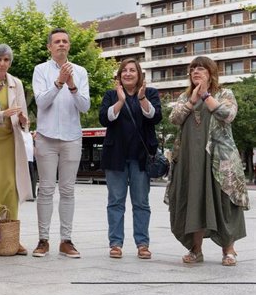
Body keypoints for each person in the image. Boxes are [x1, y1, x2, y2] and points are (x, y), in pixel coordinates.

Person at [166, 56, 249, 266]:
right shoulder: (186, 97)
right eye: (193, 68)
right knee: (193, 200)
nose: (195, 72)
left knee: (223, 203)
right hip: (190, 160)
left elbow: (228, 114)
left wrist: (205, 95)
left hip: (219, 160)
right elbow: (174, 118)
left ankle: (229, 251)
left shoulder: (224, 93)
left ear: (211, 73)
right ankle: (195, 250)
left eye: (201, 69)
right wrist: (193, 100)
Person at [31, 28, 90, 259]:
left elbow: (84, 107)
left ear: (69, 46)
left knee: (67, 189)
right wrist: (58, 83)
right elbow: (41, 103)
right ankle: (43, 239)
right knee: (45, 189)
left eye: (65, 41)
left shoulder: (81, 71)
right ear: (49, 47)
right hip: (46, 136)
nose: (61, 45)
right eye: (57, 41)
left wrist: (72, 85)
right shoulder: (40, 70)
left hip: (72, 137)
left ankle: (66, 240)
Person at [99, 58, 161, 259]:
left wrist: (142, 99)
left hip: (141, 157)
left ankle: (142, 243)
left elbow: (155, 117)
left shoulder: (150, 93)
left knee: (141, 202)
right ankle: (115, 243)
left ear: (139, 74)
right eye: (124, 70)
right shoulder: (111, 95)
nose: (128, 73)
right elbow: (104, 118)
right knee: (115, 201)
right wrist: (120, 101)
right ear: (119, 75)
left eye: (132, 70)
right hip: (115, 156)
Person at [0, 44, 32, 255]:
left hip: (11, 142)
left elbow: (23, 117)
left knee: (12, 189)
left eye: (6, 60)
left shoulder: (16, 83)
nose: (2, 64)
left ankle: (12, 237)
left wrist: (22, 119)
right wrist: (3, 113)